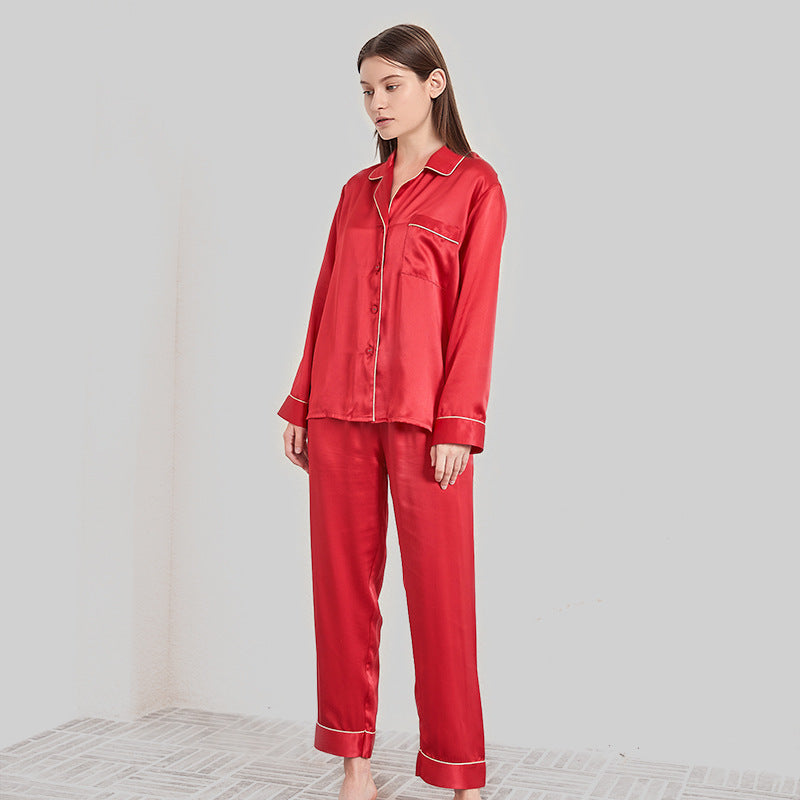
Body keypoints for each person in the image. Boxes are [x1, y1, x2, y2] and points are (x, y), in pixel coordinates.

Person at [277, 23, 507, 800]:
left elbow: (475, 315)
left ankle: (460, 774)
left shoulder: (475, 187)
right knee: (342, 594)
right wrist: (301, 403)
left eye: (391, 86)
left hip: (424, 421)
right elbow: (325, 300)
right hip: (338, 412)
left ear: (434, 84)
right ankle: (355, 767)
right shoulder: (357, 192)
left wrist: (459, 425)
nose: (376, 102)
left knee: (443, 599)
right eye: (367, 90)